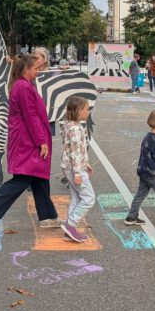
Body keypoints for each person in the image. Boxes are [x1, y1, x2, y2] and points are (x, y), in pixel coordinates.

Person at [0, 54, 61, 232]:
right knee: (23, 177)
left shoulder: (24, 84)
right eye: (36, 69)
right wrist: (41, 141)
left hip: (28, 139)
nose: (38, 72)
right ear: (25, 69)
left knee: (39, 177)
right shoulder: (23, 86)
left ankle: (47, 216)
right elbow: (30, 116)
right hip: (27, 141)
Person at [60, 96, 94, 243]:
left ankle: (69, 230)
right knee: (89, 198)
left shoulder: (69, 125)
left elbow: (76, 150)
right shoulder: (75, 129)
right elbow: (74, 151)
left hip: (70, 167)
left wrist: (85, 163)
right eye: (87, 109)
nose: (88, 112)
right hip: (74, 169)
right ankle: (71, 225)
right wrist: (78, 173)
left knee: (76, 197)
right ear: (79, 111)